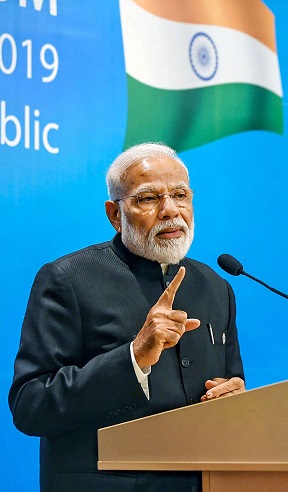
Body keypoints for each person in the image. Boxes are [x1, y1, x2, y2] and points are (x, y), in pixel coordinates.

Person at [8, 143, 246, 492]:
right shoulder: (68, 279)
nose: (170, 211)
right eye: (148, 198)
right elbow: (31, 405)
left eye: (180, 195)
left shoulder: (215, 286)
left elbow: (233, 380)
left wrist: (235, 397)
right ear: (115, 214)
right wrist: (132, 359)